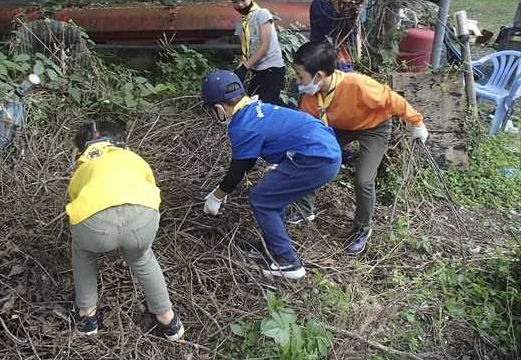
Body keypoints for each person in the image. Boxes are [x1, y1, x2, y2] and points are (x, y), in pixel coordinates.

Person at [200, 70, 341, 279]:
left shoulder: (242, 125)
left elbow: (240, 167)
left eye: (213, 112)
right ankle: (270, 246)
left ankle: (287, 262)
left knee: (261, 198)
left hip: (316, 158)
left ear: (219, 108)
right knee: (274, 194)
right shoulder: (254, 107)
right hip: (321, 150)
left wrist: (217, 196)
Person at [292, 41, 429, 255]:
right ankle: (304, 209)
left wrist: (416, 122)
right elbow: (307, 130)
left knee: (364, 179)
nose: (298, 81)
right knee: (312, 157)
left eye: (301, 76)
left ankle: (362, 229)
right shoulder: (311, 99)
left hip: (374, 127)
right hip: (339, 128)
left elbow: (392, 100)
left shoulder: (357, 85)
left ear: (318, 76)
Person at [64, 121, 184, 340]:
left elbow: (76, 203)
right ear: (122, 144)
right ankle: (169, 321)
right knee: (142, 256)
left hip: (95, 226)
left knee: (83, 251)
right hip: (141, 220)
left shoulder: (84, 166)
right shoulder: (132, 158)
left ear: (84, 149)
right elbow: (150, 186)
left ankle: (87, 317)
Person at [226, 0, 286, 105]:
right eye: (235, 1)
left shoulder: (262, 14)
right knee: (253, 104)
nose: (240, 4)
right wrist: (237, 74)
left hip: (272, 68)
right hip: (256, 70)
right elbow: (245, 53)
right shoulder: (241, 23)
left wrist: (245, 68)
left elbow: (264, 46)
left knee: (266, 106)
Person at [309, 0, 359, 72]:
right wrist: (337, 4)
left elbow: (351, 36)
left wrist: (353, 14)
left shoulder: (347, 6)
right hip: (323, 63)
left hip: (344, 63)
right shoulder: (319, 3)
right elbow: (330, 30)